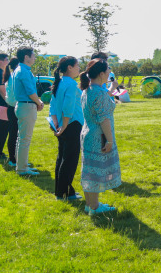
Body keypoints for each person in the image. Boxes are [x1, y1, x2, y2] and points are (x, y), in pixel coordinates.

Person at [79, 59, 121, 215]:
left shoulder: (87, 90)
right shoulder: (99, 93)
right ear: (101, 74)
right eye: (108, 70)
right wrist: (109, 140)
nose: (109, 72)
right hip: (98, 136)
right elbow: (104, 119)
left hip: (87, 133)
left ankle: (90, 204)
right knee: (95, 172)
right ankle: (95, 207)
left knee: (89, 170)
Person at [49, 56, 83, 200]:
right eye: (77, 66)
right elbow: (68, 107)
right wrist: (63, 126)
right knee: (69, 160)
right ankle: (63, 193)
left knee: (62, 158)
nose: (79, 68)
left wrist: (57, 124)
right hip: (71, 125)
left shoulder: (60, 82)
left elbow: (52, 107)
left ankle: (63, 191)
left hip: (63, 125)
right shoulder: (71, 84)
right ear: (69, 67)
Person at [13, 46, 44, 176]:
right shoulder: (24, 71)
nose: (35, 58)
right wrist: (39, 102)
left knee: (21, 138)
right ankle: (22, 169)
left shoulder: (19, 69)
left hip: (23, 106)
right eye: (33, 55)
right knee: (25, 139)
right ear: (26, 57)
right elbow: (30, 92)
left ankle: (21, 165)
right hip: (26, 106)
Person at [2, 58, 19, 167]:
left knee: (13, 133)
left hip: (10, 107)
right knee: (14, 134)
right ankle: (13, 159)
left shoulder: (9, 76)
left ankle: (14, 158)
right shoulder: (15, 77)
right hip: (14, 107)